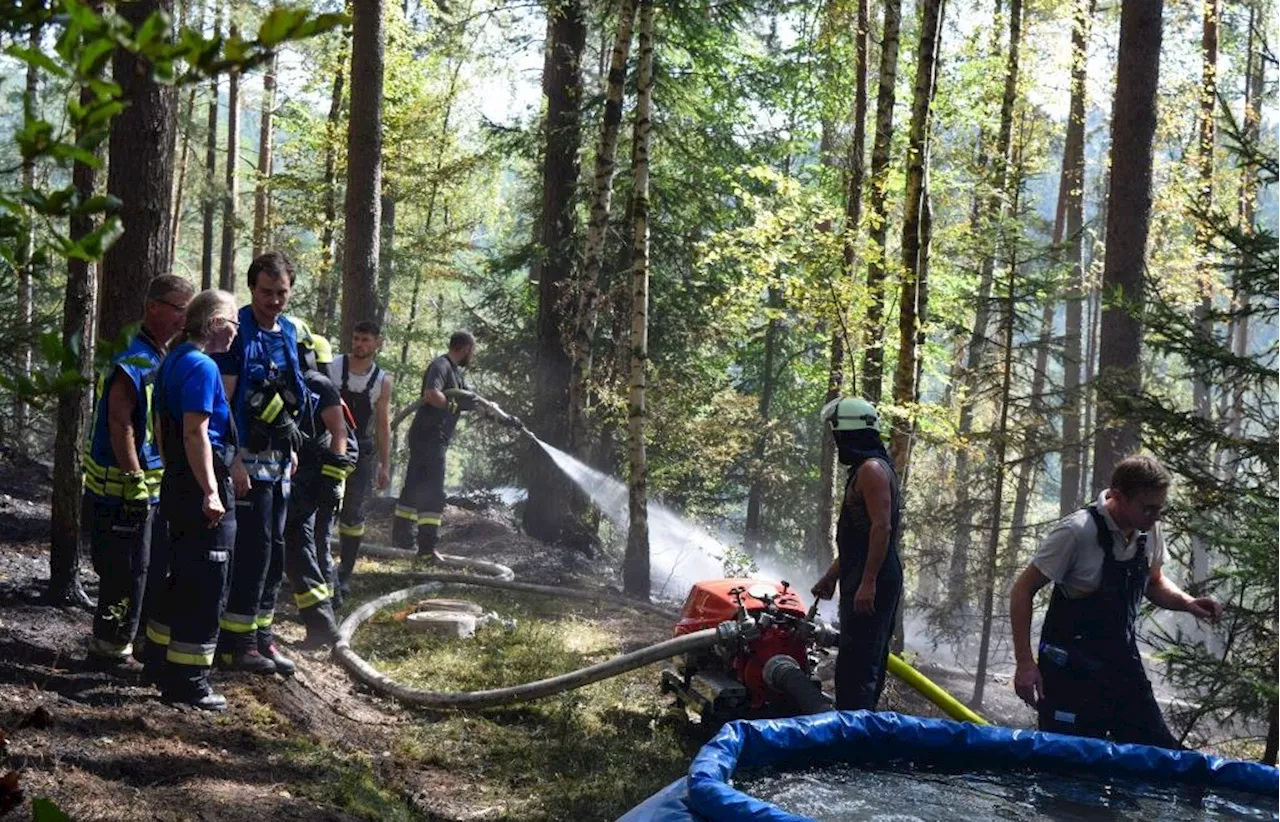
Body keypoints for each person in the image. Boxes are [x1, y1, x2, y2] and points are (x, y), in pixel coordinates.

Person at [1010, 455, 1224, 748]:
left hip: (1121, 664)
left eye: (1159, 508)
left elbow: (1154, 582)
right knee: (1070, 765)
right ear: (1119, 497)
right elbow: (1023, 589)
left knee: (1157, 751)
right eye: (1148, 508)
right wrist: (1025, 663)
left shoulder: (1149, 531)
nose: (1156, 516)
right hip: (1069, 673)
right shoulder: (1076, 532)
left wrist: (1187, 602)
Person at [84, 274, 194, 672]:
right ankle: (107, 652)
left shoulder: (159, 354)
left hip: (145, 493)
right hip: (119, 495)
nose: (185, 317)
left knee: (140, 571)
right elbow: (120, 422)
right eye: (180, 309)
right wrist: (133, 482)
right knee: (124, 575)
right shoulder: (133, 358)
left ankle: (124, 643)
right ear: (154, 307)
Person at [213, 251, 309, 676]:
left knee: (274, 551)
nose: (274, 301)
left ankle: (263, 638)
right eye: (267, 293)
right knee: (252, 552)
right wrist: (232, 461)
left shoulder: (288, 332)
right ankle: (238, 644)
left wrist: (291, 448)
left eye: (282, 293)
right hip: (245, 463)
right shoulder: (239, 334)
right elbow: (225, 402)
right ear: (252, 289)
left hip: (278, 460)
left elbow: (290, 395)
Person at [148, 289, 240, 711]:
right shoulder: (202, 366)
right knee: (206, 581)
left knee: (179, 574)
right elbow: (194, 433)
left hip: (177, 479)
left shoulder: (172, 360)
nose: (237, 333)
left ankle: (159, 662)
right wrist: (210, 491)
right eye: (234, 323)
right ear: (216, 323)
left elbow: (161, 428)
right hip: (200, 482)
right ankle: (190, 680)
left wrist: (177, 474)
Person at [810, 397, 903, 711]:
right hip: (863, 573)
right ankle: (851, 727)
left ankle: (855, 738)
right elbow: (858, 540)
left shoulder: (871, 471)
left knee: (861, 664)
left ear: (846, 433)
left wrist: (868, 582)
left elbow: (881, 529)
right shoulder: (868, 468)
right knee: (852, 659)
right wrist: (831, 576)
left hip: (873, 579)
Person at [284, 329, 356, 647]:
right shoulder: (287, 382)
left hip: (310, 483)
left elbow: (344, 439)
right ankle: (322, 620)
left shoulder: (320, 388)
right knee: (301, 549)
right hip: (300, 479)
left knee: (309, 547)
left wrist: (332, 481)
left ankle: (326, 613)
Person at [393, 330, 477, 559]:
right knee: (433, 491)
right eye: (473, 351)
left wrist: (491, 409)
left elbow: (468, 399)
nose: (474, 355)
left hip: (430, 437)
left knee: (413, 486)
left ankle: (402, 540)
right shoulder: (441, 365)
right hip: (428, 436)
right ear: (467, 348)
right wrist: (452, 406)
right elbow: (432, 394)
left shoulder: (456, 373)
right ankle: (427, 548)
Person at [327, 320, 392, 602]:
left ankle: (345, 574)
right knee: (324, 508)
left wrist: (385, 464)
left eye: (365, 340)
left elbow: (382, 424)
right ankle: (319, 571)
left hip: (360, 453)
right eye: (355, 338)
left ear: (377, 343)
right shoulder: (334, 366)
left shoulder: (381, 380)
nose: (359, 345)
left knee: (352, 516)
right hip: (328, 447)